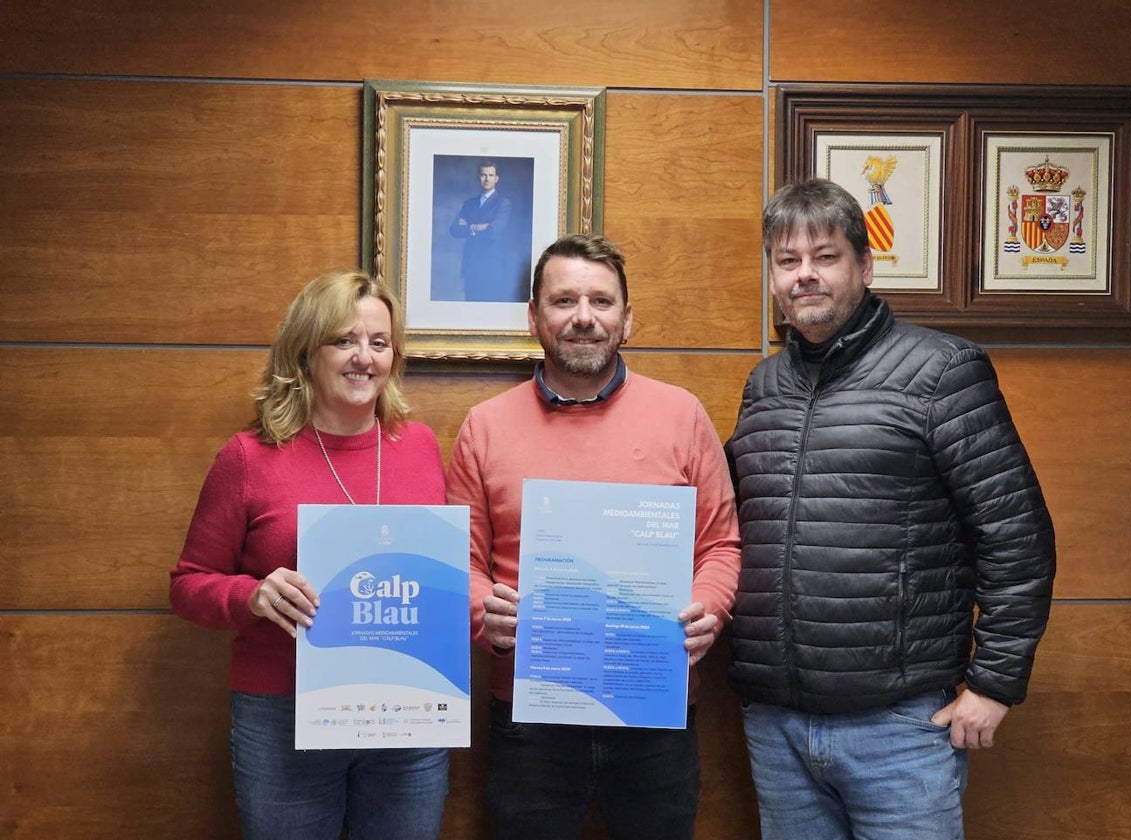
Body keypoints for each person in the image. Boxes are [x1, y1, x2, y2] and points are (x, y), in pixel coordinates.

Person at [724, 178, 1056, 840]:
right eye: (787, 261)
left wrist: (993, 685)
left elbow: (1017, 537)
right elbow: (731, 532)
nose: (805, 276)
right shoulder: (763, 387)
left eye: (825, 256)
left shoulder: (943, 371)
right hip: (777, 725)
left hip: (898, 729)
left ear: (865, 265)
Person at [446, 233, 741, 840]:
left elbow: (720, 544)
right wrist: (485, 615)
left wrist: (706, 609)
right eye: (564, 301)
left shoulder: (682, 415)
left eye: (601, 302)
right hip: (532, 720)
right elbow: (460, 564)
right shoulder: (484, 427)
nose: (584, 317)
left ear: (627, 319)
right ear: (534, 317)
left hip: (655, 710)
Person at [168, 270, 449, 840]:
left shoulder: (418, 446)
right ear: (305, 351)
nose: (363, 358)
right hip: (284, 714)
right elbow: (188, 584)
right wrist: (252, 595)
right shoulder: (249, 457)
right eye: (344, 340)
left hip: (408, 715)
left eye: (379, 342)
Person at [450, 159, 519, 301]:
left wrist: (469, 228)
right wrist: (477, 227)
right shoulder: (469, 204)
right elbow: (454, 230)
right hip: (471, 266)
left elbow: (493, 231)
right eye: (483, 175)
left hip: (492, 267)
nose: (487, 179)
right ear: (478, 177)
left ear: (496, 178)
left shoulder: (503, 203)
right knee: (471, 311)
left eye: (491, 175)